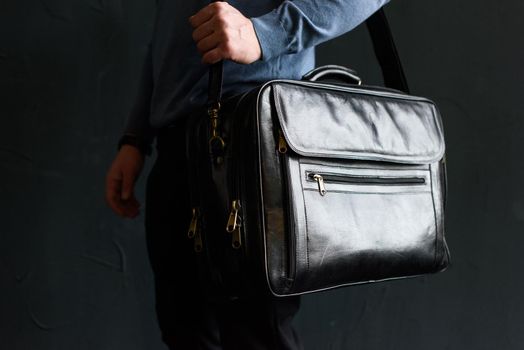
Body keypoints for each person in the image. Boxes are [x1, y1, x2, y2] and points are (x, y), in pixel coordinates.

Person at [105, 1, 390, 349]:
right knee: (184, 330)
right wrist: (136, 137)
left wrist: (265, 33)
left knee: (256, 335)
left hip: (254, 145)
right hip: (175, 149)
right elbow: (169, 35)